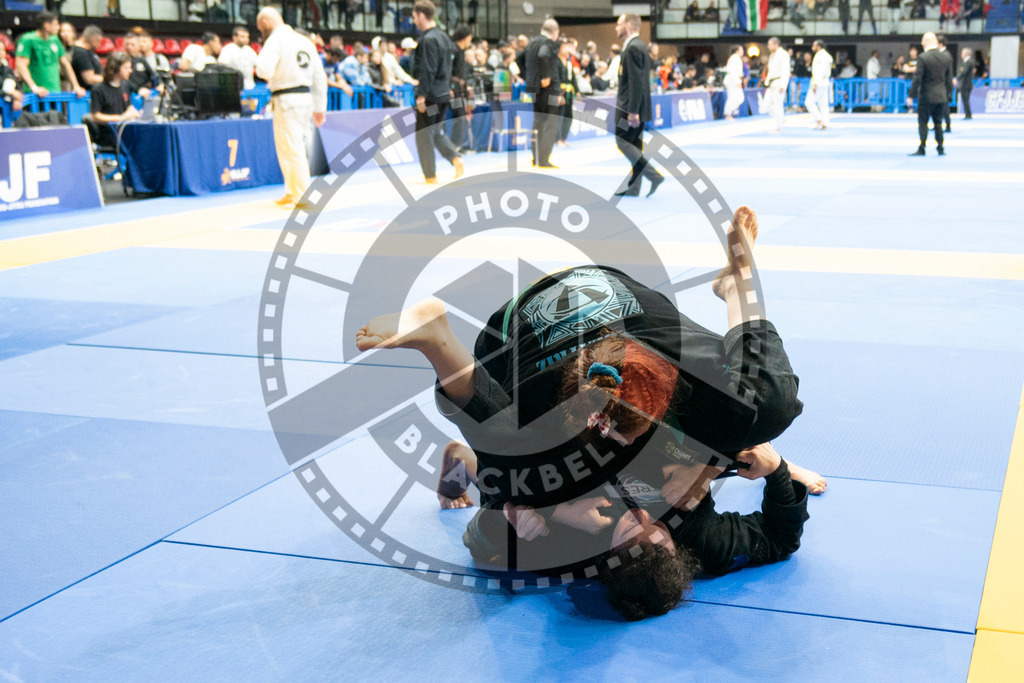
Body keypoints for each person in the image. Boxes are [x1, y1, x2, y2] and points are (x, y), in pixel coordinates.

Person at [355, 205, 823, 620]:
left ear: (605, 561)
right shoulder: (701, 537)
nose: (638, 519)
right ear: (675, 546)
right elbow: (779, 539)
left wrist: (545, 514)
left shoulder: (570, 542)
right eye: (654, 533)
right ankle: (739, 288)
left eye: (624, 538)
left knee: (520, 473)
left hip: (523, 336)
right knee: (763, 408)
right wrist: (774, 471)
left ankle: (443, 355)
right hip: (624, 311)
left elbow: (481, 541)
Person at [254, 7, 327, 208]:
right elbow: (319, 77)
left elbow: (263, 70)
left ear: (266, 23)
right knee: (286, 147)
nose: (261, 32)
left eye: (260, 28)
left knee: (293, 148)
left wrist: (269, 72)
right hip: (305, 98)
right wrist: (320, 107)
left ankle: (303, 196)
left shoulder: (275, 40)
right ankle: (291, 190)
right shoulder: (305, 41)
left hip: (286, 100)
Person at [411, 0, 463, 184]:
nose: (414, 20)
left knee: (424, 135)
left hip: (430, 96)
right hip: (443, 93)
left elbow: (428, 69)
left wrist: (422, 95)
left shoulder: (429, 39)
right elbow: (450, 67)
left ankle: (430, 176)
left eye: (414, 16)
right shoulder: (444, 37)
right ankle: (456, 159)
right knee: (436, 131)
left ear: (422, 15)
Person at [613, 13, 664, 198]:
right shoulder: (638, 46)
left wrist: (633, 111)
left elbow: (636, 82)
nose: (616, 28)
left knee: (623, 142)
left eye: (619, 24)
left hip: (629, 106)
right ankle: (634, 188)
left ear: (628, 25)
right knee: (634, 144)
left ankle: (654, 175)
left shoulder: (633, 48)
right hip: (635, 105)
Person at [15, 11, 85, 99]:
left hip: (55, 93)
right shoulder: (27, 40)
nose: (58, 28)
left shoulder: (55, 40)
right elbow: (21, 65)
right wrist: (34, 88)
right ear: (46, 25)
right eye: (56, 24)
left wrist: (76, 86)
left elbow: (66, 65)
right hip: (36, 96)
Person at [524, 18, 562, 168]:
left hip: (535, 89)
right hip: (549, 90)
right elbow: (543, 55)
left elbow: (520, 60)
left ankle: (536, 157)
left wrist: (530, 78)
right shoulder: (548, 43)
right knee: (551, 123)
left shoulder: (531, 43)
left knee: (538, 122)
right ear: (555, 32)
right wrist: (545, 76)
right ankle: (544, 159)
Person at [908, 32, 952, 157]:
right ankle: (940, 147)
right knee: (938, 123)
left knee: (923, 122)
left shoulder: (923, 57)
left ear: (924, 43)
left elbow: (917, 78)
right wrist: (948, 94)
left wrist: (911, 95)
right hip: (941, 95)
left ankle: (922, 147)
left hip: (926, 96)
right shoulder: (945, 57)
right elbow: (948, 79)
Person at [88, 52, 139, 148]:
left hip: (124, 131)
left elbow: (129, 107)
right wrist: (120, 118)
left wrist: (135, 113)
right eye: (126, 68)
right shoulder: (98, 89)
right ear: (115, 68)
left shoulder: (125, 85)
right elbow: (95, 117)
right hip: (108, 134)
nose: (130, 71)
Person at [449, 26, 474, 153]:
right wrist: (449, 87)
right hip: (452, 89)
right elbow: (448, 70)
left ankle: (456, 145)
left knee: (462, 117)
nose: (470, 41)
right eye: (470, 38)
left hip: (459, 90)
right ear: (465, 38)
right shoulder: (453, 50)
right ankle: (453, 146)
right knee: (459, 117)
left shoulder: (461, 51)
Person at [805, 40, 833, 130]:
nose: (812, 47)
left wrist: (815, 83)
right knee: (823, 104)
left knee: (809, 102)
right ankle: (825, 123)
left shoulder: (822, 56)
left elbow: (821, 70)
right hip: (823, 81)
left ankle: (819, 119)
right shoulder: (826, 55)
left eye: (814, 45)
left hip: (819, 82)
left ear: (819, 46)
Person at [763, 36, 790, 133]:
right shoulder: (772, 55)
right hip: (771, 83)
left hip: (779, 82)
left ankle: (778, 127)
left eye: (770, 45)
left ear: (776, 44)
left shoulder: (783, 54)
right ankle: (781, 118)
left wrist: (783, 85)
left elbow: (785, 70)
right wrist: (766, 81)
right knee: (766, 104)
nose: (768, 47)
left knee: (778, 105)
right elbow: (771, 71)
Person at [556, 39, 578, 147]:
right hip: (559, 92)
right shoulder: (556, 62)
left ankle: (564, 138)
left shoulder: (569, 62)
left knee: (568, 115)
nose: (567, 49)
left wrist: (577, 91)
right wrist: (558, 94)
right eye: (564, 47)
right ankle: (558, 139)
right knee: (559, 116)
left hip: (569, 92)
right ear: (559, 49)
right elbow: (555, 79)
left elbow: (573, 79)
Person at [69, 25, 104, 92]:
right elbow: (89, 79)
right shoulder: (82, 53)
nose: (99, 45)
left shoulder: (85, 51)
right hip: (85, 94)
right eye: (99, 41)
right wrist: (107, 79)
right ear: (94, 39)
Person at [122, 33, 155, 98]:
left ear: (138, 46)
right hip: (129, 93)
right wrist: (138, 89)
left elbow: (153, 75)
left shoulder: (141, 60)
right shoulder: (121, 61)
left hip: (144, 93)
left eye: (132, 45)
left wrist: (160, 84)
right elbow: (123, 80)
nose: (129, 47)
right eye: (127, 44)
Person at [0, 42, 24, 115]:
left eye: (3, 50)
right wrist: (10, 93)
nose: (1, 52)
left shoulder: (7, 69)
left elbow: (18, 88)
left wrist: (17, 99)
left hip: (8, 111)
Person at [723, 45, 744, 120]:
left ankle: (732, 110)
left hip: (733, 79)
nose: (743, 52)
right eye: (741, 50)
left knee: (740, 98)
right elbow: (733, 71)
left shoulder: (735, 58)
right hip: (732, 80)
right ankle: (728, 114)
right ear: (737, 51)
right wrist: (737, 82)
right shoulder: (735, 58)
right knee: (733, 98)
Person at [937, 34, 951, 133]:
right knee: (939, 107)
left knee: (945, 107)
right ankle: (938, 125)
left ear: (940, 44)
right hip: (942, 84)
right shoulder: (943, 54)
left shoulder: (945, 55)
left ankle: (948, 126)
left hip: (944, 85)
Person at [955, 47, 974, 120]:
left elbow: (964, 72)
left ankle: (968, 114)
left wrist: (957, 78)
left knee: (965, 100)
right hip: (968, 84)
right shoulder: (969, 62)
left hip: (965, 84)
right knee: (966, 100)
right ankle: (968, 114)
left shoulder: (968, 62)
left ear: (965, 54)